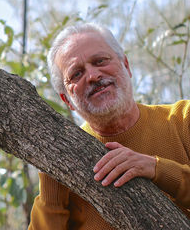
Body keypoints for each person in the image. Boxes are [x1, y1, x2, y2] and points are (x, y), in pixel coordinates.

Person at [28, 23, 190, 229]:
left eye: (100, 61)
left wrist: (157, 168)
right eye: (76, 74)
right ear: (66, 100)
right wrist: (52, 184)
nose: (93, 76)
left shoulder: (183, 119)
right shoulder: (67, 158)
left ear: (126, 66)